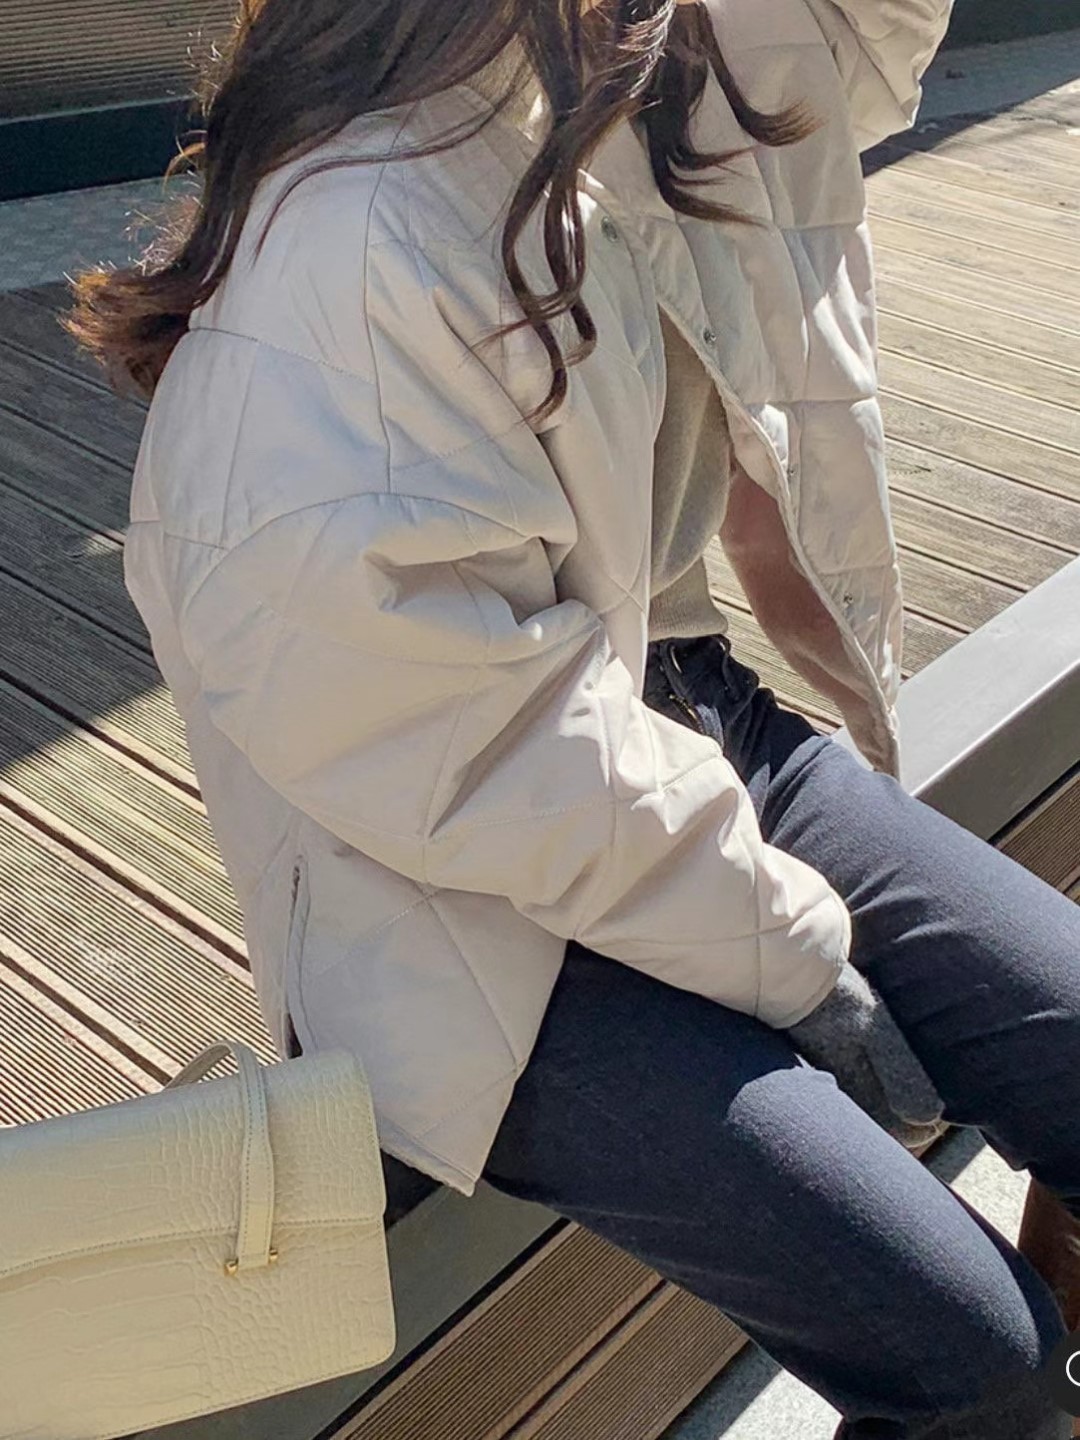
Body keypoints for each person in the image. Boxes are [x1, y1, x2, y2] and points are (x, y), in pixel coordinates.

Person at [69, 1, 1080, 1435]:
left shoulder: (631, 73)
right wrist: (793, 957)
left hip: (670, 721)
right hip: (446, 911)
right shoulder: (356, 231)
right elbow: (458, 743)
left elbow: (850, 43)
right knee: (977, 1366)